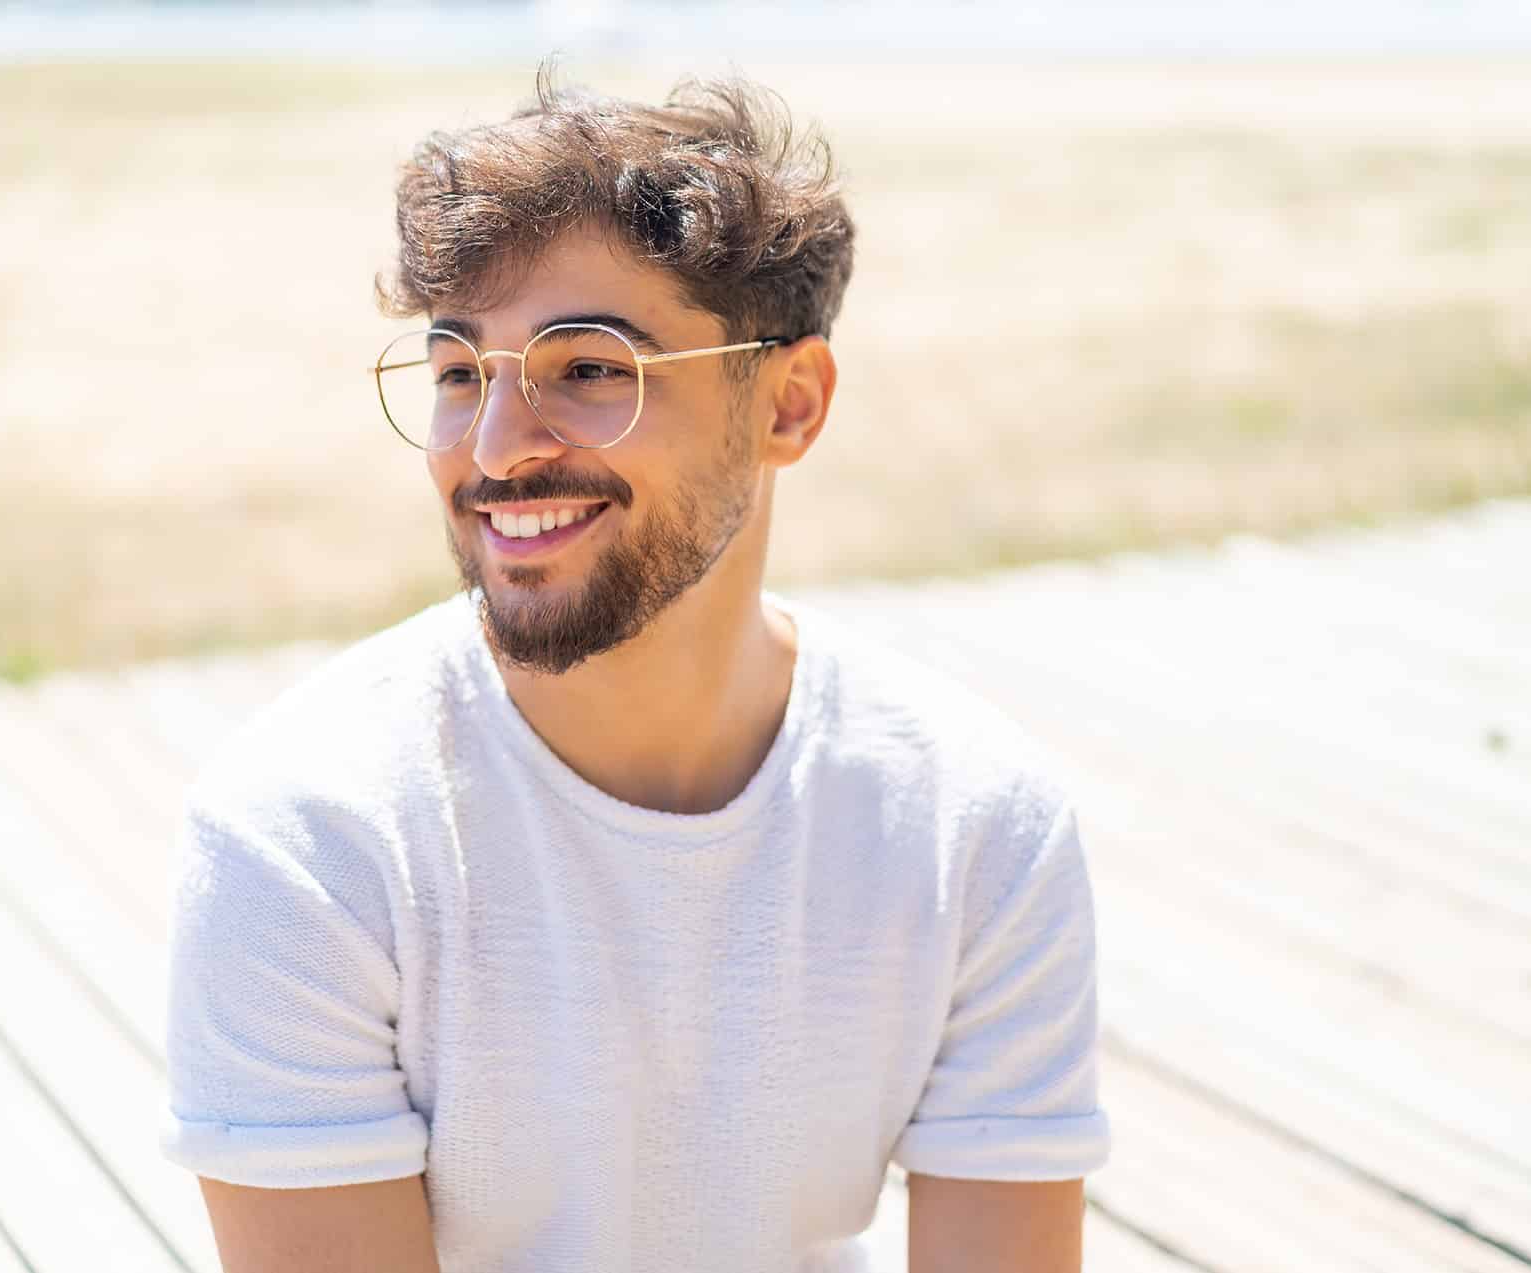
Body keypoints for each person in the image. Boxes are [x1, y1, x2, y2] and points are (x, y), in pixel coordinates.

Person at [161, 64, 1111, 1273]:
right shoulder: (305, 841)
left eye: (592, 367)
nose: (495, 451)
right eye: (460, 373)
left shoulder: (974, 822)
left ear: (790, 405)